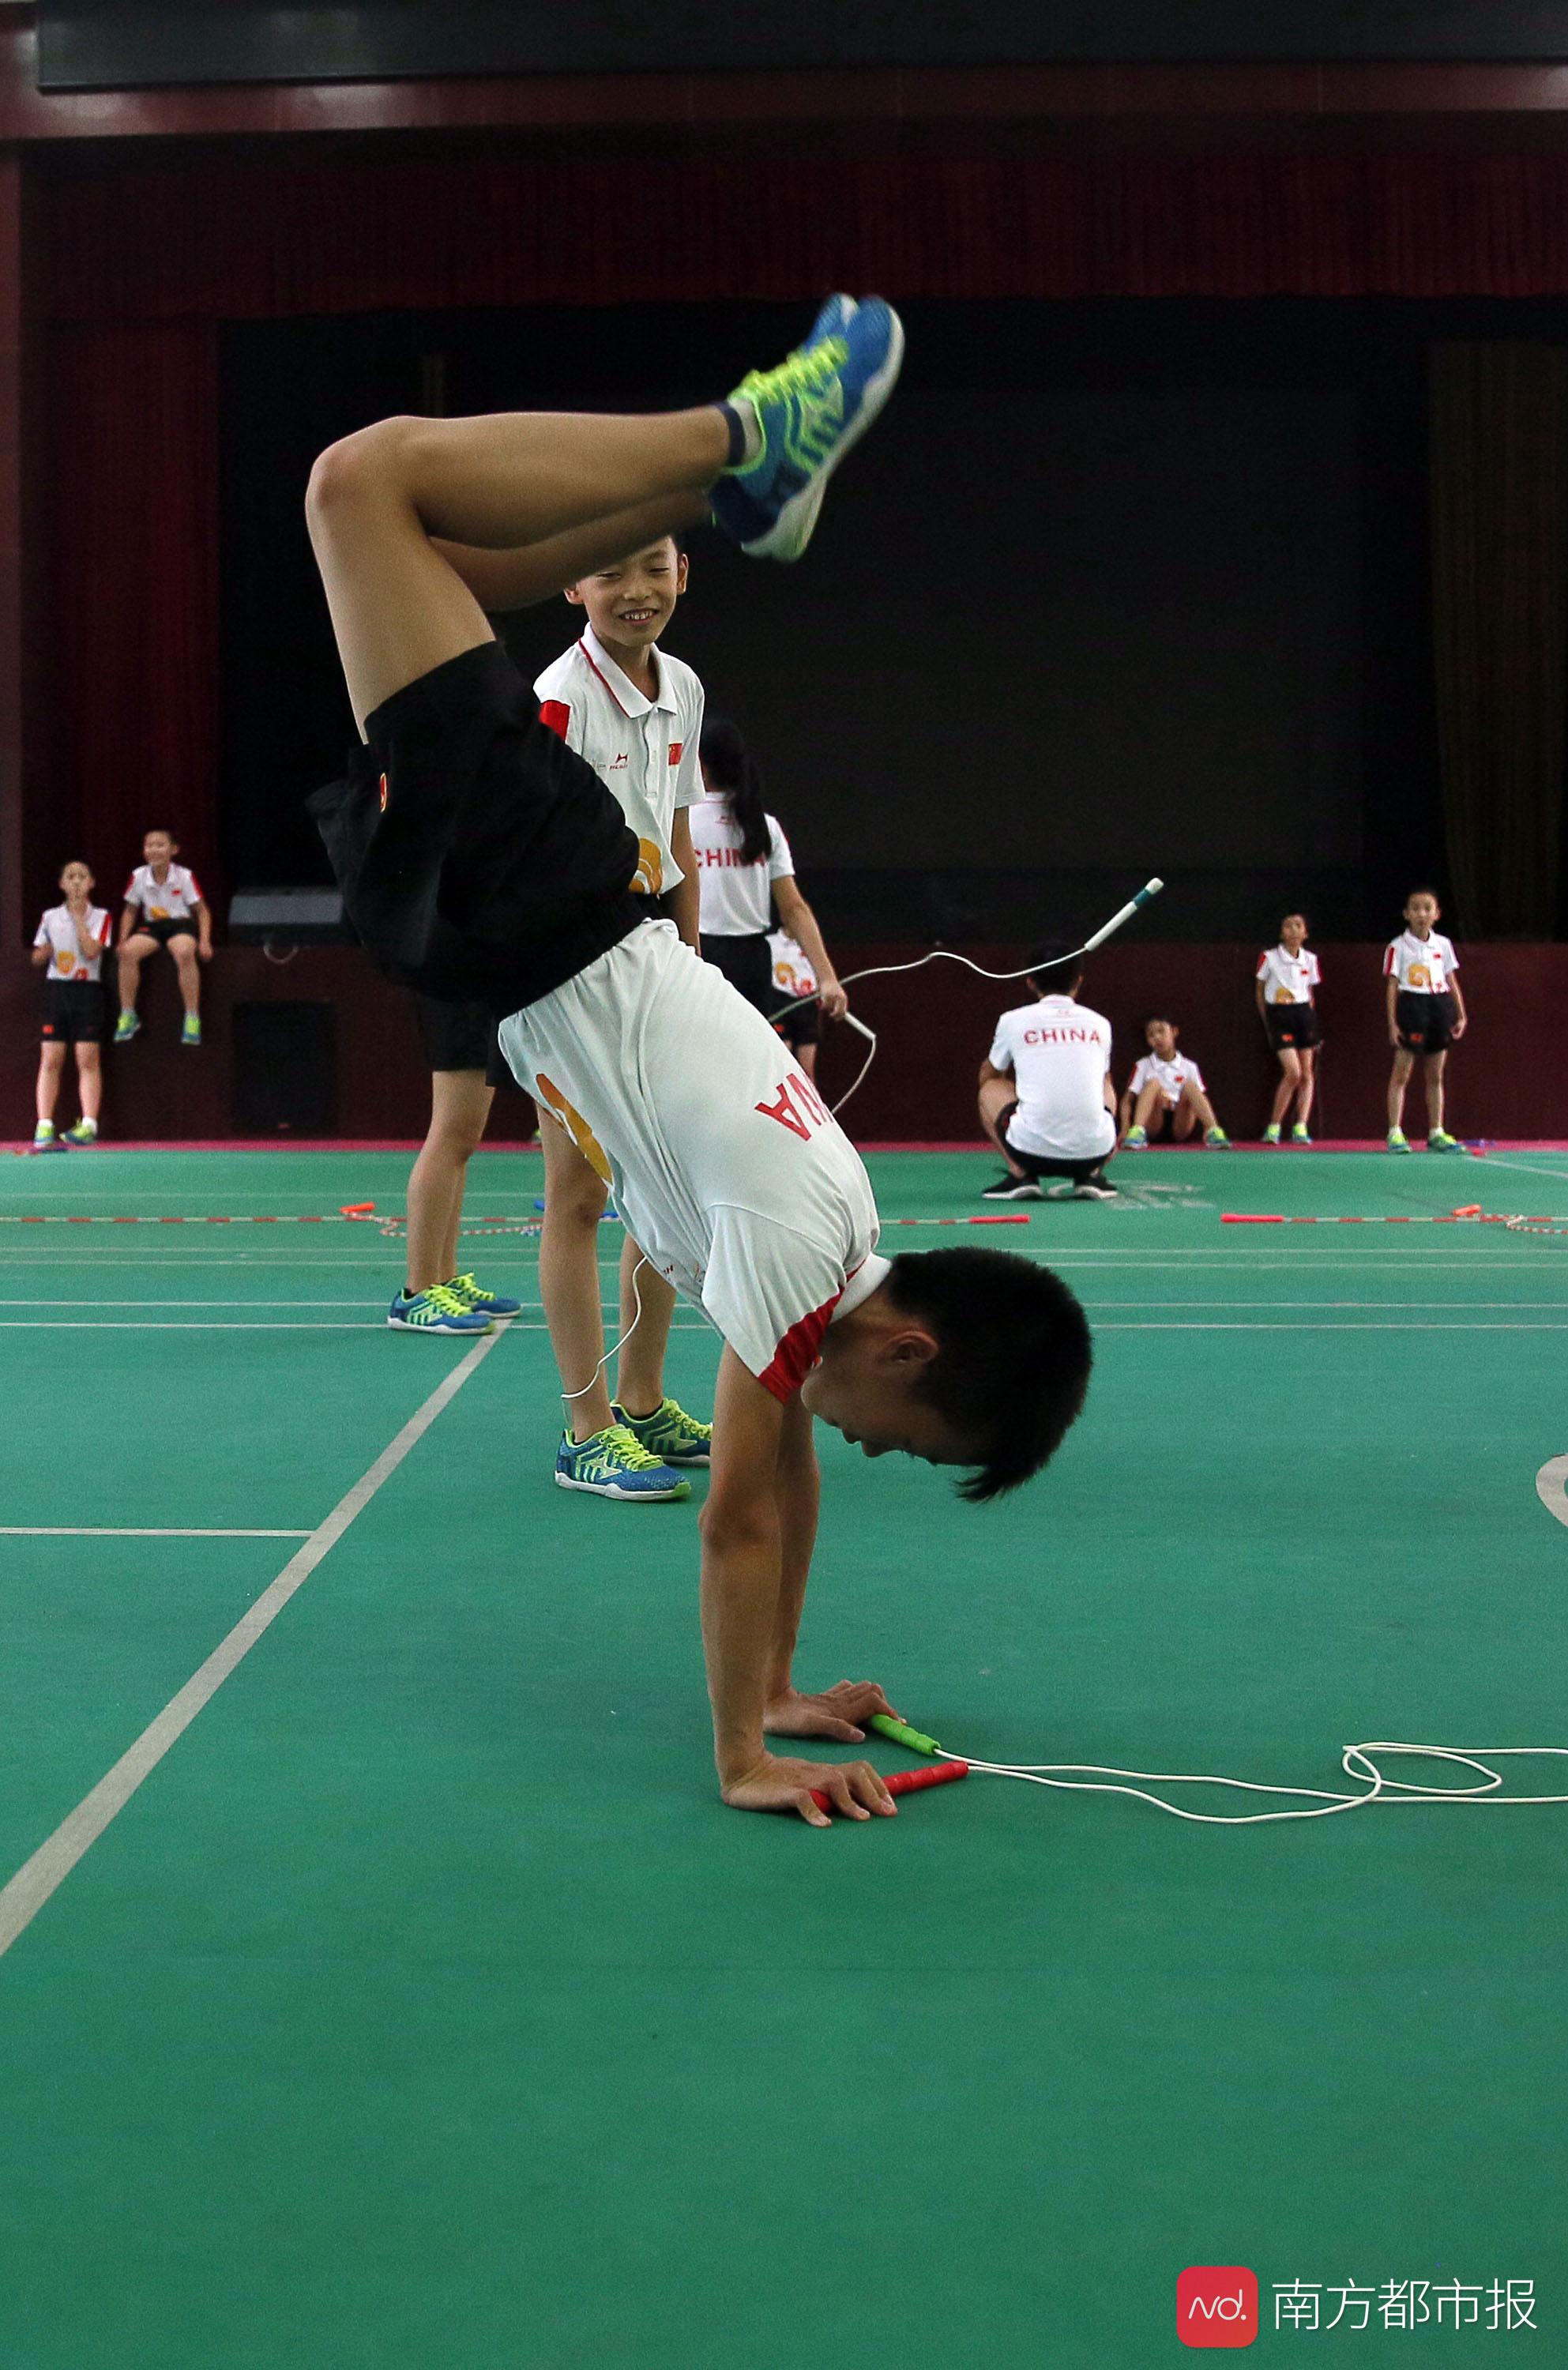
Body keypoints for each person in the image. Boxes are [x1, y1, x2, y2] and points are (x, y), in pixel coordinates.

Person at [303, 293, 1092, 1824]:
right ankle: (739, 448)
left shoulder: (838, 1245)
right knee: (361, 485)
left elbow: (780, 1477)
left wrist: (786, 1687)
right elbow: (736, 1516)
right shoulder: (808, 1254)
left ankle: (726, 488)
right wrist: (745, 1757)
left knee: (434, 552)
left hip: (558, 908)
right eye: (912, 1448)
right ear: (912, 1352)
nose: (873, 1456)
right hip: (537, 906)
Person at [527, 533, 711, 1499]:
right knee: (580, 1195)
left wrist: (692, 958)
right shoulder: (555, 700)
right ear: (572, 585)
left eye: (652, 566)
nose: (635, 590)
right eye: (610, 571)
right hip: (565, 956)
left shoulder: (683, 684)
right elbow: (529, 854)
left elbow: (677, 825)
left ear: (683, 572)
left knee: (661, 1187)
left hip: (653, 952)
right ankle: (584, 1428)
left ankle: (640, 1401)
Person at [690, 716, 847, 1064]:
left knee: (703, 1062)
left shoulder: (683, 821)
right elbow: (794, 908)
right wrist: (827, 978)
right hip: (753, 963)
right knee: (746, 1065)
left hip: (701, 956)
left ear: (699, 764)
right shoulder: (766, 826)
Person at [386, 995, 525, 1334]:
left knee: (462, 1142)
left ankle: (444, 1279)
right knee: (450, 1135)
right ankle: (416, 1294)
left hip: (480, 994)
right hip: (458, 990)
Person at [977, 950, 1117, 1201]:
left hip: (1029, 1152)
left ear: (1030, 981)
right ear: (1079, 981)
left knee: (990, 1089)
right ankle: (1092, 1175)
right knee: (1105, 1083)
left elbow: (989, 1075)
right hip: (1094, 1152)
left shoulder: (1012, 1021)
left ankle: (1020, 1175)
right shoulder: (1100, 1024)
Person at [32, 860, 110, 1149]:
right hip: (57, 991)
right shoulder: (50, 916)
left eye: (81, 877)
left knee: (87, 1060)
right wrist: (45, 952)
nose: (76, 882)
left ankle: (89, 1124)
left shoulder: (101, 917)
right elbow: (37, 958)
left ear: (91, 883)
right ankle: (44, 1124)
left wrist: (78, 919)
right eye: (70, 877)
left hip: (87, 991)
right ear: (62, 884)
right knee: (51, 1060)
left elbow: (91, 951)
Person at [1384, 887, 1467, 1152]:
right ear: (1406, 914)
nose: (1422, 914)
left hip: (1439, 1006)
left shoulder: (1443, 945)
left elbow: (1451, 979)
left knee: (1436, 1075)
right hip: (1412, 1006)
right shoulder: (1397, 946)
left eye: (1427, 908)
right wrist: (1393, 1023)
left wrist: (1461, 1014)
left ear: (1437, 914)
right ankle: (1396, 1132)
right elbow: (1392, 986)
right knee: (1402, 1073)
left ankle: (1436, 1132)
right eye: (1416, 909)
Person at [115, 830, 212, 1045]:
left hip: (180, 924)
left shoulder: (184, 876)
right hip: (152, 926)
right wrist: (122, 939)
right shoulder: (138, 876)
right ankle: (128, 1014)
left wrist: (205, 940)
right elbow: (130, 911)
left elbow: (203, 912)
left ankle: (192, 1016)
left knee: (185, 951)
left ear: (173, 850)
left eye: (160, 845)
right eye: (149, 845)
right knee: (128, 953)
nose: (153, 849)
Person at [1255, 912, 1322, 1144]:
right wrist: (1268, 1021)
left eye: (1298, 926)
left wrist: (1311, 1019)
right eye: (1288, 926)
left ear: (1305, 933)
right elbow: (1260, 990)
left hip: (1303, 1014)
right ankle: (1274, 1126)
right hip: (1278, 1015)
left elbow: (1311, 993)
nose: (1293, 930)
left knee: (1306, 1073)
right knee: (1292, 1072)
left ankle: (1300, 1126)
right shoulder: (1269, 958)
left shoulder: (1310, 960)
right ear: (1281, 932)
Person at [1119, 1018, 1231, 1147]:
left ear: (1174, 1032)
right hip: (1153, 1121)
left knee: (1190, 1086)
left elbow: (1200, 1098)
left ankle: (1214, 1131)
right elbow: (1127, 1100)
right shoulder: (1143, 1065)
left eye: (1161, 1031)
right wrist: (1125, 1127)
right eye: (1151, 1035)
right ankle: (1137, 1133)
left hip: (1180, 1122)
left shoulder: (1189, 1066)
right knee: (1153, 1084)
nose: (1157, 1038)